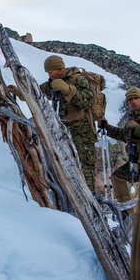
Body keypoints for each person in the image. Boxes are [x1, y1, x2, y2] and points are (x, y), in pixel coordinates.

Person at [38, 55, 97, 190]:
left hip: (82, 132)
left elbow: (87, 100)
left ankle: (90, 201)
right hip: (63, 129)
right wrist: (19, 92)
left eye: (51, 71)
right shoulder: (53, 83)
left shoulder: (78, 79)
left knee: (84, 167)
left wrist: (68, 90)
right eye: (48, 72)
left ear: (60, 68)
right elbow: (38, 93)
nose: (49, 74)